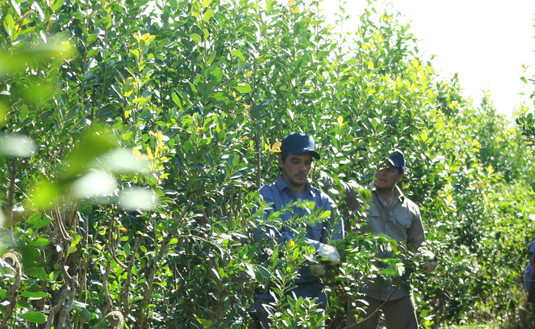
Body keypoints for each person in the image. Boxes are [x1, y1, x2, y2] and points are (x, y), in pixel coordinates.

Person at [253, 132, 345, 328]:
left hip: (313, 298)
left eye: (307, 162)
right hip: (275, 297)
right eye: (295, 161)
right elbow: (265, 238)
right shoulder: (266, 196)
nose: (303, 168)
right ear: (281, 161)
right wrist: (314, 248)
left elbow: (337, 246)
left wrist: (328, 265)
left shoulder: (323, 201)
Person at [347, 149, 437, 329]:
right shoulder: (359, 197)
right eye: (379, 167)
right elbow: (337, 186)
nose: (381, 172)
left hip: (399, 287)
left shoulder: (411, 209)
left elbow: (418, 243)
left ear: (400, 175)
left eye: (388, 169)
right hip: (363, 286)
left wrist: (426, 256)